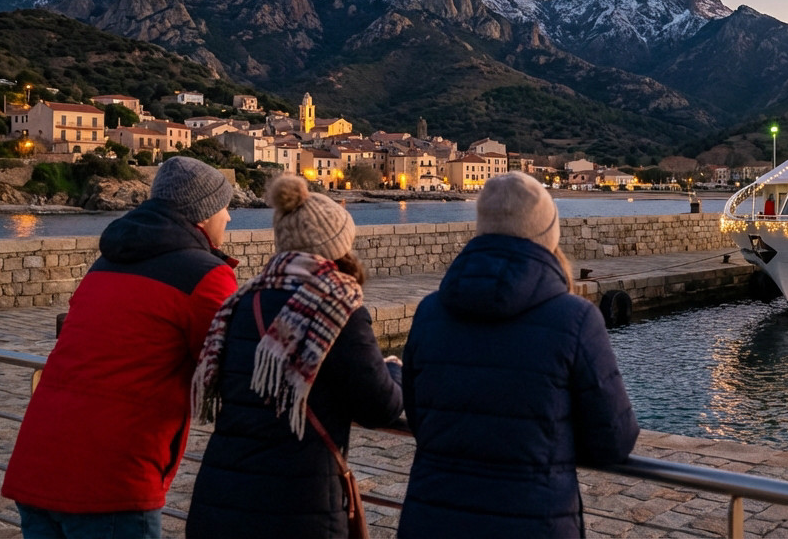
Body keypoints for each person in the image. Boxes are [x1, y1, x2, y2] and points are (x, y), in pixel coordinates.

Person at [2, 156, 238, 539]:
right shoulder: (207, 276)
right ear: (202, 213)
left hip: (37, 464)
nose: (229, 217)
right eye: (224, 206)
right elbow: (232, 367)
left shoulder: (106, 262)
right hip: (111, 481)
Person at [398, 171, 638, 538]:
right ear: (548, 234)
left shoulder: (429, 312)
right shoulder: (576, 318)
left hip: (431, 521)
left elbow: (419, 417)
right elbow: (614, 440)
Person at [187, 173, 402, 539]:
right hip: (298, 508)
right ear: (336, 246)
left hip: (221, 498)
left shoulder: (243, 301)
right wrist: (393, 372)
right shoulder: (337, 308)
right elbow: (378, 407)